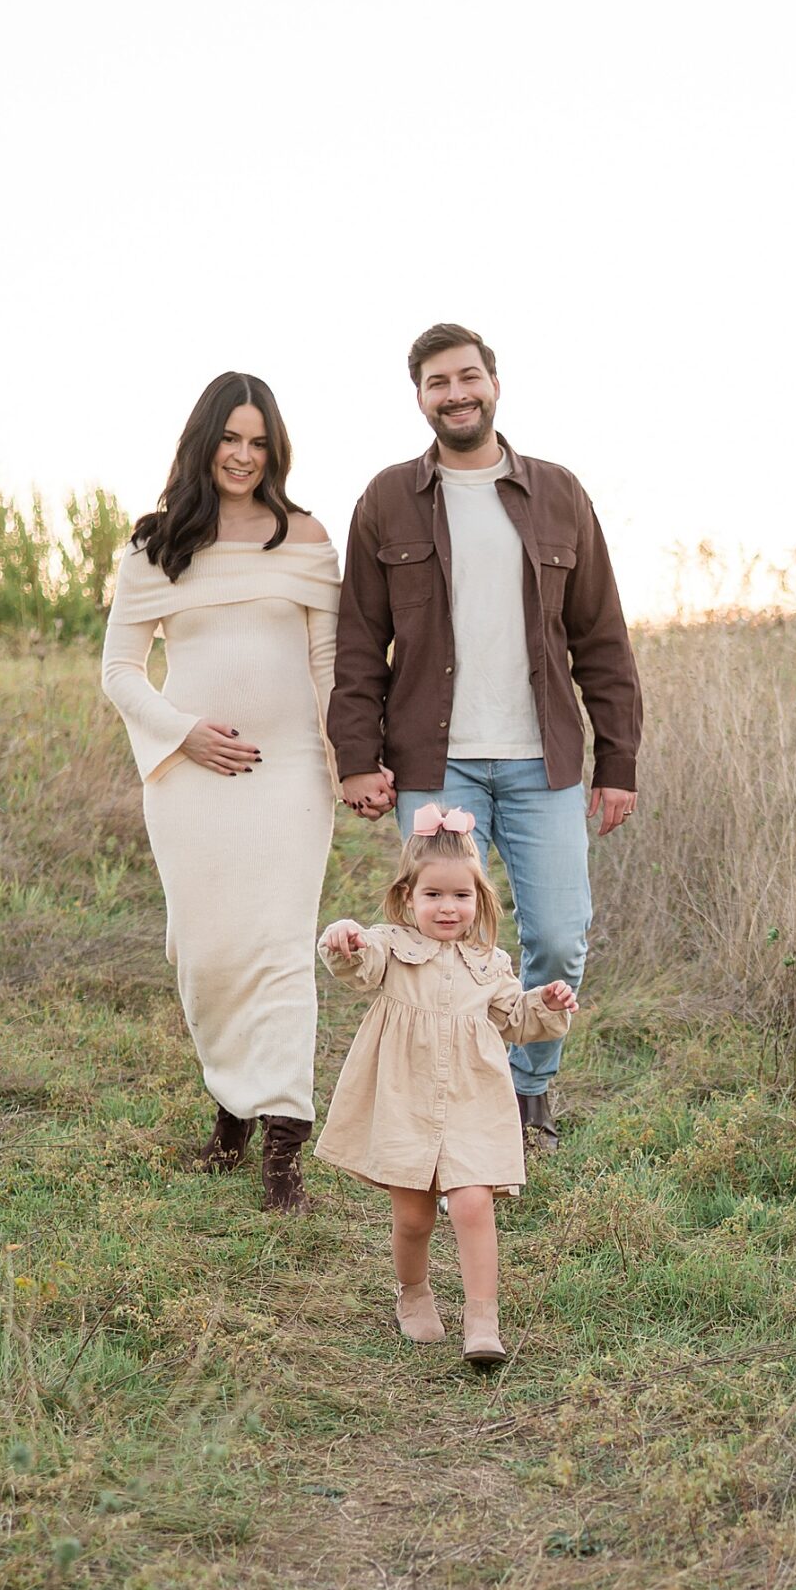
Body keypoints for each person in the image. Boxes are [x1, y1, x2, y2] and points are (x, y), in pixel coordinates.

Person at [327, 322, 640, 1151]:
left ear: (494, 384)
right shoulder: (388, 498)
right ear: (421, 397)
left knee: (560, 931)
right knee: (441, 942)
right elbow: (359, 640)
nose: (456, 392)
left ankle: (530, 1088)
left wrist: (619, 761)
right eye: (438, 382)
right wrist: (357, 757)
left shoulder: (559, 493)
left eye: (468, 376)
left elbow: (602, 638)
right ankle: (453, 1097)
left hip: (545, 761)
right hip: (436, 764)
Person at [101, 372, 340, 1213]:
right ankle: (231, 1109)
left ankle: (282, 1151)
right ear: (204, 442)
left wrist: (343, 763)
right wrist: (183, 732)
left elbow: (327, 666)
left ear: (274, 451)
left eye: (259, 442)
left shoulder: (305, 538)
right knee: (204, 952)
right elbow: (119, 670)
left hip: (290, 779)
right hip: (191, 781)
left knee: (279, 950)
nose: (243, 455)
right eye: (230, 438)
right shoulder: (155, 546)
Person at [314, 807, 578, 1366]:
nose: (447, 907)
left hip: (472, 1098)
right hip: (406, 1100)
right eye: (433, 895)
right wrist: (343, 940)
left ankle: (483, 1321)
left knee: (472, 1205)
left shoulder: (491, 963)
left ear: (478, 901)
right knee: (414, 1216)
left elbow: (517, 1019)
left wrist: (546, 1004)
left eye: (461, 896)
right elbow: (357, 966)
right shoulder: (390, 947)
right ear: (408, 897)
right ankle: (413, 1291)